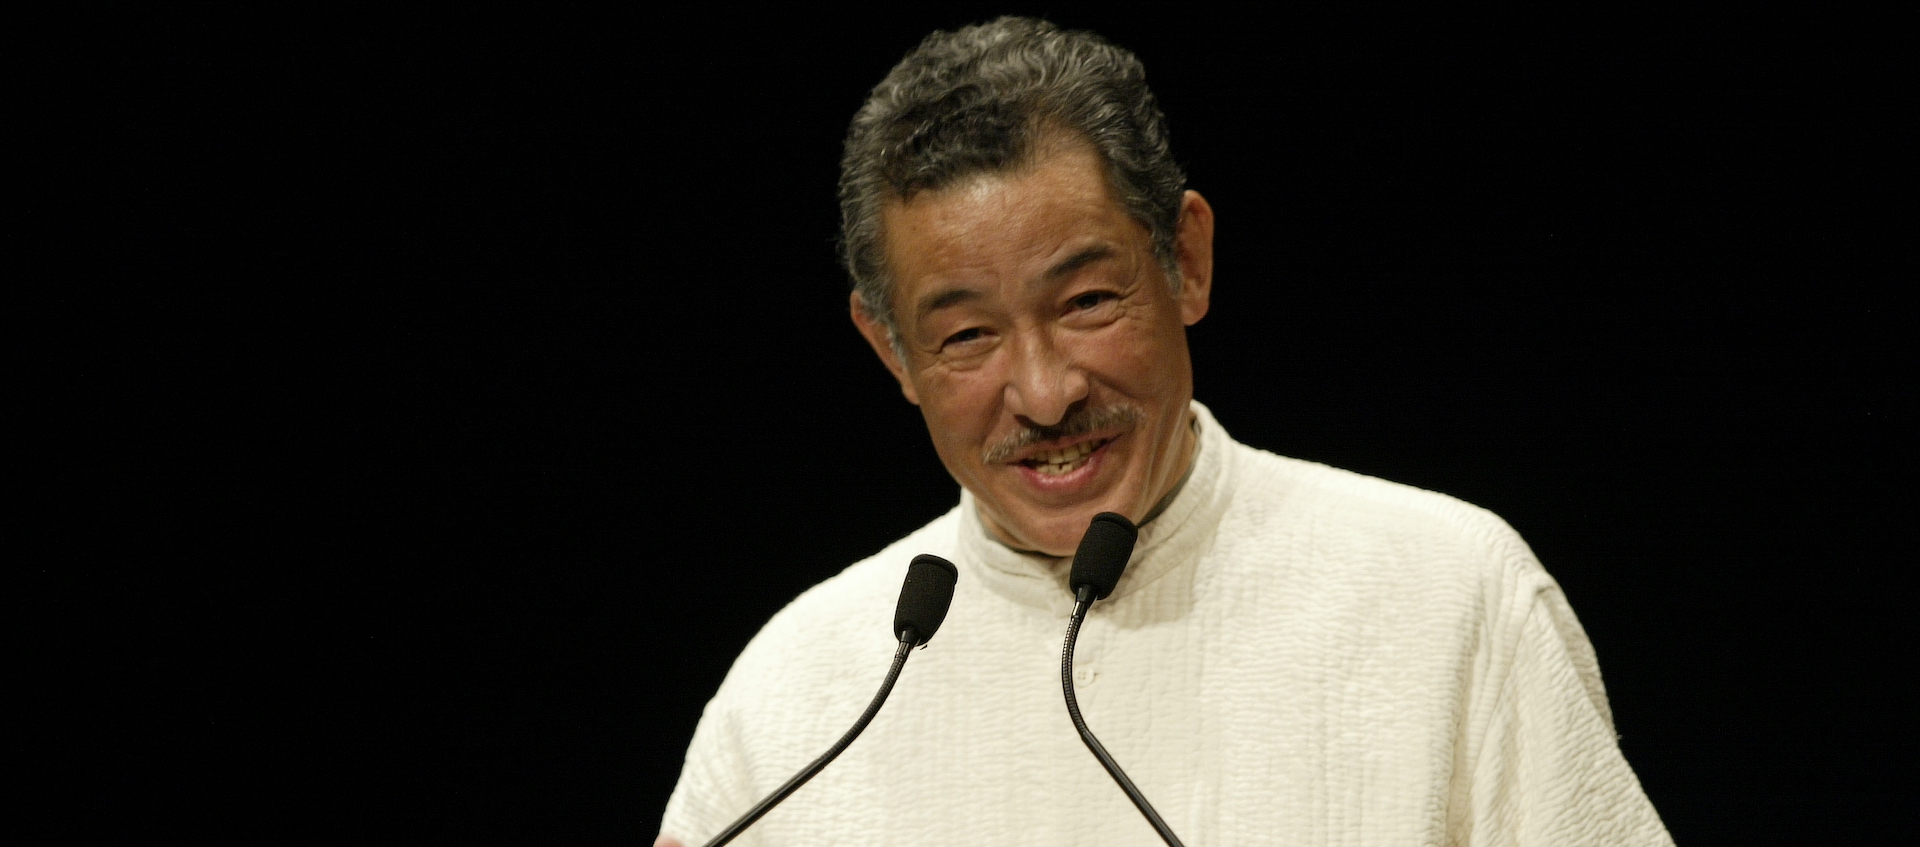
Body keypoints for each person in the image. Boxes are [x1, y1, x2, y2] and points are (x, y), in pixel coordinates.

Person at [658, 16, 1671, 846]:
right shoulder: (793, 704)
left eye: (1088, 299)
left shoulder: (1453, 598)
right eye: (968, 335)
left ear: (1186, 259)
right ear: (889, 352)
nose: (1046, 394)